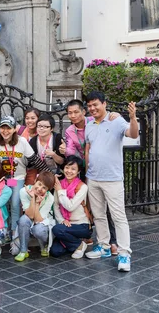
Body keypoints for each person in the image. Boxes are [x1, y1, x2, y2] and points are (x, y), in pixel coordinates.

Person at [83, 91, 138, 272]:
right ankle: (104, 246)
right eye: (89, 106)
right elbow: (89, 149)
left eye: (95, 104)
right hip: (93, 177)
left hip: (112, 178)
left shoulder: (116, 121)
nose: (92, 108)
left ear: (104, 104)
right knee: (98, 215)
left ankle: (124, 254)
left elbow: (132, 133)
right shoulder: (89, 125)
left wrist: (132, 117)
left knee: (118, 216)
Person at [60, 99, 120, 254]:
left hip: (101, 168)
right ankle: (88, 235)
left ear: (83, 112)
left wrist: (115, 114)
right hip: (81, 169)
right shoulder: (70, 131)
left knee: (106, 207)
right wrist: (65, 151)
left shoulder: (94, 122)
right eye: (69, 113)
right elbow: (71, 153)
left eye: (75, 112)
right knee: (90, 205)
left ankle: (113, 242)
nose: (72, 116)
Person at [50, 155, 93, 259]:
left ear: (78, 172)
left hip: (81, 225)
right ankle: (78, 244)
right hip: (65, 225)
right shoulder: (59, 184)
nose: (69, 171)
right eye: (67, 167)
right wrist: (61, 220)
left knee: (57, 230)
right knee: (55, 251)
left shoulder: (82, 187)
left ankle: (78, 243)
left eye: (73, 169)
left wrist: (60, 191)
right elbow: (56, 206)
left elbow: (70, 207)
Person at [10, 172, 56, 261]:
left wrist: (38, 204)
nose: (39, 189)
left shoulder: (50, 197)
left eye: (44, 188)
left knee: (38, 230)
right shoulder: (23, 191)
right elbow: (30, 215)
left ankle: (44, 245)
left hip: (42, 222)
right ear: (35, 181)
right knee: (23, 219)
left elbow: (38, 220)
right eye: (39, 184)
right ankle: (23, 251)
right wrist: (33, 199)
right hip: (30, 217)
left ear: (48, 190)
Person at [17, 108, 40, 185]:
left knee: (28, 190)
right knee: (13, 187)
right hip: (16, 169)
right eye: (27, 118)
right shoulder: (19, 130)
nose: (29, 121)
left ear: (38, 119)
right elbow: (1, 130)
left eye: (33, 118)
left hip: (33, 170)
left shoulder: (42, 133)